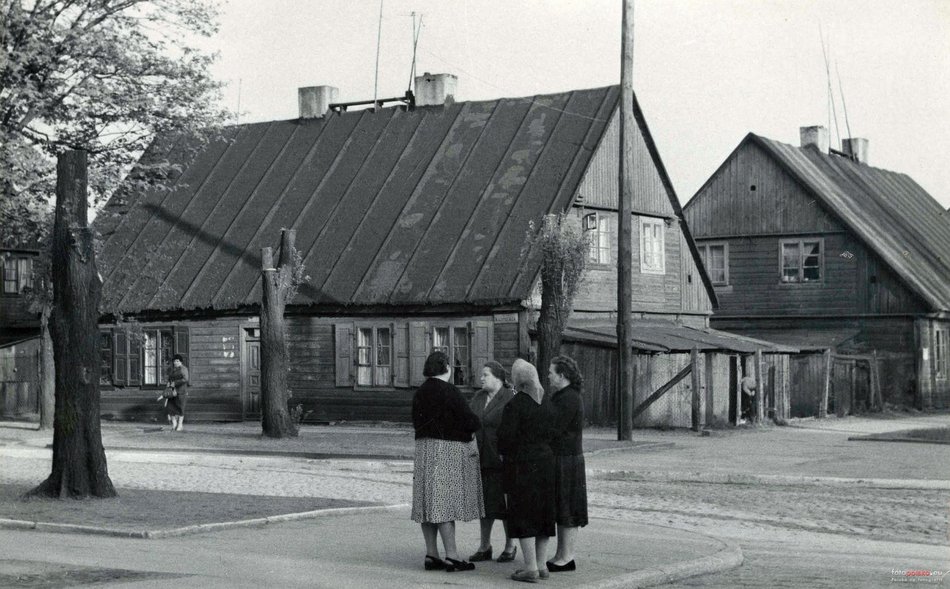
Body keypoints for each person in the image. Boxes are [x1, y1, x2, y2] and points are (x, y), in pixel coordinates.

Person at [411, 350, 483, 573]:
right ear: (447, 368)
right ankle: (452, 556)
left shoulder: (420, 392)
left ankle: (432, 554)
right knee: (444, 503)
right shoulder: (450, 391)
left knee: (427, 503)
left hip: (424, 450)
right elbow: (470, 421)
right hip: (447, 450)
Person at [497, 358, 556, 583]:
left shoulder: (516, 404)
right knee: (543, 515)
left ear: (518, 381)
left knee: (524, 514)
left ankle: (529, 567)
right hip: (546, 463)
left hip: (522, 465)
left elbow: (505, 438)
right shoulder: (547, 402)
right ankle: (542, 565)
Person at [467, 361, 518, 564]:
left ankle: (510, 545)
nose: (481, 378)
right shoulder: (478, 398)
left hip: (502, 458)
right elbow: (469, 420)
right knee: (484, 504)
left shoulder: (510, 397)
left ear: (498, 377)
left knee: (505, 505)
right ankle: (484, 546)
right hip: (480, 458)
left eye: (485, 375)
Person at [546, 355, 588, 573]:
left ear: (562, 375)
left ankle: (567, 556)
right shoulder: (563, 395)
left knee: (569, 509)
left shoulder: (568, 398)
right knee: (563, 509)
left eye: (551, 372)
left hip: (567, 459)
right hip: (563, 458)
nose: (548, 375)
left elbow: (553, 427)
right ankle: (561, 555)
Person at [157, 354, 189, 432]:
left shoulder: (184, 369)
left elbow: (185, 379)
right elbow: (169, 379)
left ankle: (180, 425)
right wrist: (168, 384)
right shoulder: (172, 370)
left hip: (181, 391)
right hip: (171, 392)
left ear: (181, 362)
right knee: (170, 408)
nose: (176, 362)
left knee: (180, 408)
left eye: (177, 361)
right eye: (174, 361)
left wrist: (175, 383)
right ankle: (174, 424)